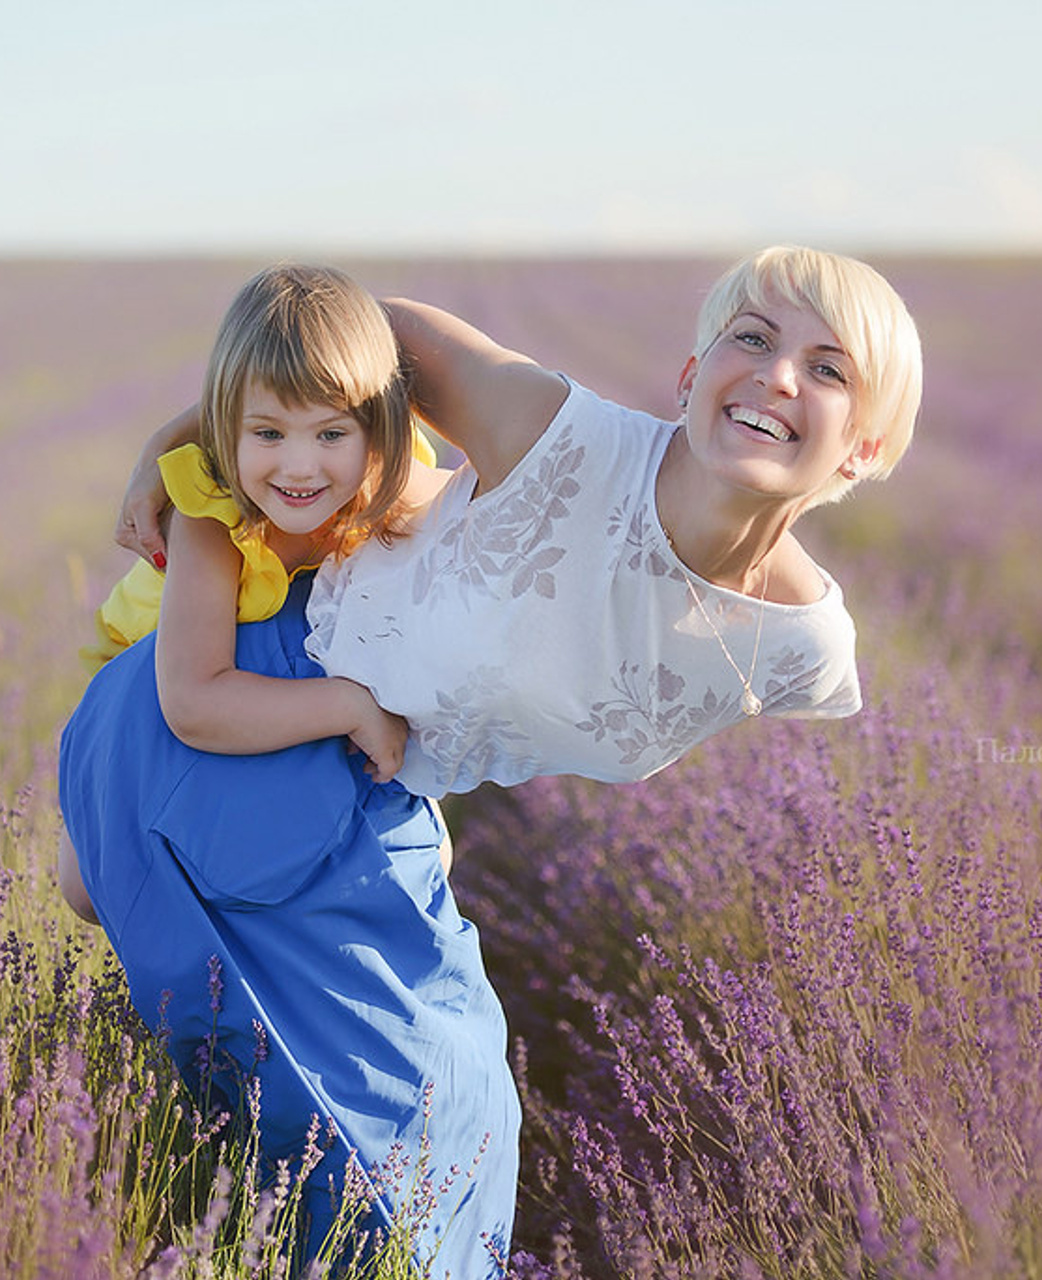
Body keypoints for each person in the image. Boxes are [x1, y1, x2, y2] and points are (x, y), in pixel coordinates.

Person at [58, 265, 518, 1277]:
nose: (298, 465)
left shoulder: (398, 486)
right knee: (85, 891)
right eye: (266, 433)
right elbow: (195, 697)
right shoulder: (212, 513)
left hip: (268, 744)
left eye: (328, 433)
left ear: (378, 433)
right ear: (226, 432)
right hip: (147, 721)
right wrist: (352, 704)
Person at [118, 245, 922, 800]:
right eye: (752, 337)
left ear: (866, 448)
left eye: (827, 370)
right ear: (691, 376)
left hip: (386, 783)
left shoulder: (800, 650)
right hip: (273, 673)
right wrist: (185, 435)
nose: (776, 376)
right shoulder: (557, 437)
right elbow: (373, 330)